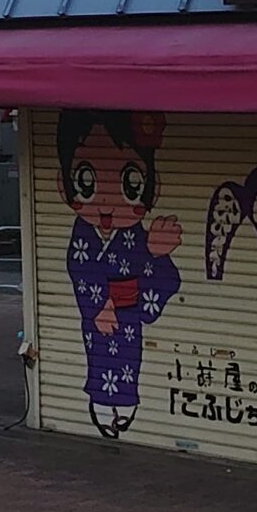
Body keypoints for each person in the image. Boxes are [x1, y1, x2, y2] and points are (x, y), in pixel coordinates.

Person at [59, 109, 182, 437]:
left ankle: (125, 405)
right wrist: (99, 307)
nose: (106, 204)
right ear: (65, 185)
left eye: (130, 184)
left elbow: (167, 279)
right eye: (86, 181)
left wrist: (156, 255)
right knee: (99, 360)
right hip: (99, 314)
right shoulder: (83, 235)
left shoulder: (139, 238)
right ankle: (101, 405)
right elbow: (79, 268)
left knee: (128, 361)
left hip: (127, 316)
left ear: (151, 191)